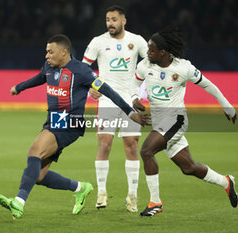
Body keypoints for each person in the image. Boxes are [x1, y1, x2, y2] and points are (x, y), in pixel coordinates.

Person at [0, 34, 149, 219]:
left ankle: (18, 203)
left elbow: (108, 90)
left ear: (64, 52)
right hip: (53, 119)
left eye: (50, 52)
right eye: (46, 52)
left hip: (70, 122)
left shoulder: (81, 71)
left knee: (34, 152)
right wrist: (20, 87)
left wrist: (130, 112)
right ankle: (80, 188)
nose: (47, 56)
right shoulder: (49, 67)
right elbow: (40, 78)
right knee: (39, 176)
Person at [131, 25, 238, 217]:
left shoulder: (183, 68)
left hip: (175, 120)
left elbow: (209, 85)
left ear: (163, 52)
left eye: (151, 50)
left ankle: (155, 202)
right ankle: (226, 182)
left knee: (146, 151)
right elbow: (134, 83)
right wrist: (134, 98)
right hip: (159, 123)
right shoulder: (145, 65)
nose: (147, 53)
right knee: (188, 168)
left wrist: (227, 106)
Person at [82, 5, 148, 212]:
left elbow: (151, 63)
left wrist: (141, 87)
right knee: (104, 144)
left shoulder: (137, 41)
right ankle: (101, 193)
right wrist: (90, 87)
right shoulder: (98, 42)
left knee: (131, 145)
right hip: (107, 99)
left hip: (130, 100)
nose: (110, 23)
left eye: (114, 19)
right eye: (108, 20)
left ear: (123, 21)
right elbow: (83, 68)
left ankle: (133, 196)